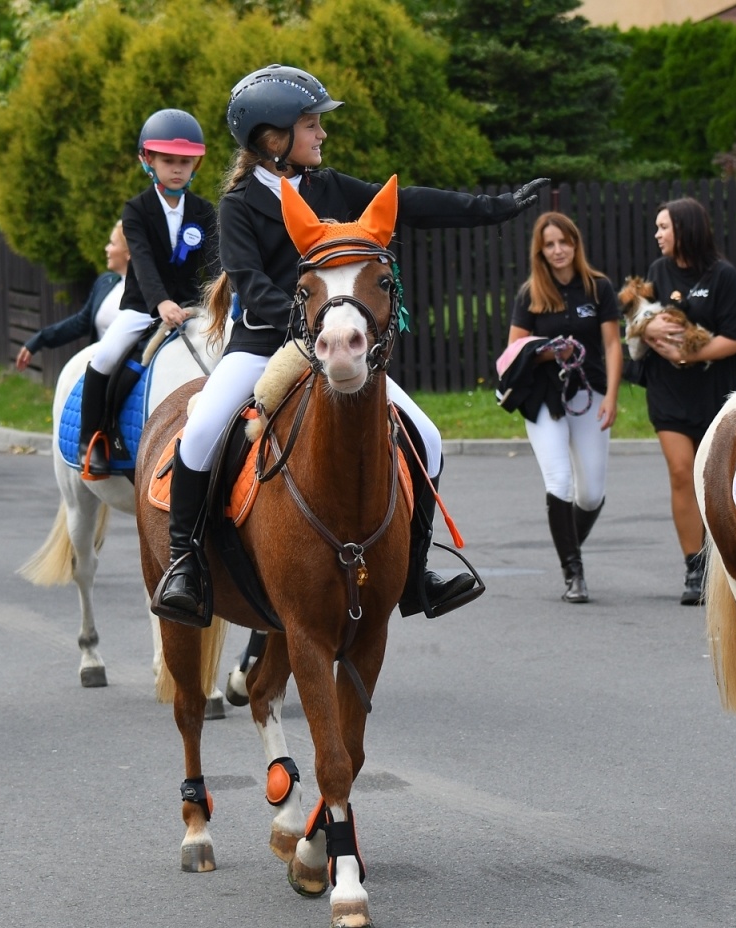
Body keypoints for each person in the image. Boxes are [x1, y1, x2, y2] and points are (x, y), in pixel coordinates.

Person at [154, 63, 548, 625]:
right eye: (311, 125)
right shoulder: (239, 203)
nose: (322, 134)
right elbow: (249, 281)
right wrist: (305, 326)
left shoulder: (328, 186)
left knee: (429, 439)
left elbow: (408, 203)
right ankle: (186, 565)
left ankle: (415, 574)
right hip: (262, 348)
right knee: (198, 435)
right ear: (273, 138)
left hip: (340, 346)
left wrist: (497, 207)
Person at [63, 110, 216, 481]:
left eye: (185, 162)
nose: (177, 169)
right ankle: (92, 441)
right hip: (143, 307)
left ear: (195, 165)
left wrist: (215, 302)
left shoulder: (204, 211)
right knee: (105, 357)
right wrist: (160, 303)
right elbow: (143, 262)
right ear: (148, 161)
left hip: (192, 307)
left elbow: (214, 264)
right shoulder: (136, 210)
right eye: (168, 161)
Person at [504, 211, 622, 604]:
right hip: (543, 398)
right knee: (559, 482)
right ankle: (574, 572)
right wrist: (549, 351)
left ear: (575, 243)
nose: (558, 250)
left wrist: (612, 396)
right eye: (549, 244)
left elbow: (612, 345)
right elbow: (513, 351)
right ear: (540, 251)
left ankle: (568, 543)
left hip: (589, 393)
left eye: (563, 242)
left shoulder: (598, 287)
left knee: (591, 495)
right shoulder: (531, 293)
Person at [638, 198, 736, 606]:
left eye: (664, 227)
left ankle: (723, 559)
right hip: (667, 390)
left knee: (715, 479)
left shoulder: (722, 275)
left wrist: (688, 354)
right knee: (681, 472)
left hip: (713, 392)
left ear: (684, 229)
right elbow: (641, 318)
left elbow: (735, 340)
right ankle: (694, 566)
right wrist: (647, 329)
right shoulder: (657, 270)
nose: (658, 234)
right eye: (657, 227)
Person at [13, 224, 129, 371]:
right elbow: (79, 324)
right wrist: (40, 339)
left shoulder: (149, 294)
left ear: (129, 253)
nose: (106, 248)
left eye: (112, 243)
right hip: (101, 371)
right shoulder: (105, 283)